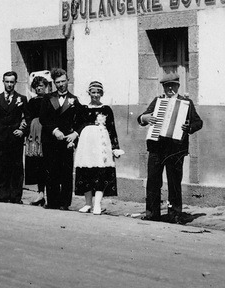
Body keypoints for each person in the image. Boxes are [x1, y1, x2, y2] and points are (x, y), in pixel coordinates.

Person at [137, 73, 203, 223]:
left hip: (176, 149)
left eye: (173, 86)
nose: (170, 89)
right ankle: (152, 214)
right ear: (164, 87)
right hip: (157, 148)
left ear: (178, 86)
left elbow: (198, 123)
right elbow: (141, 118)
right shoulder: (158, 101)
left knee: (174, 183)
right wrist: (144, 118)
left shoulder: (186, 103)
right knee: (153, 181)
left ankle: (175, 215)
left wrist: (189, 127)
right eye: (167, 86)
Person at [73, 81, 122, 215]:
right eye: (93, 92)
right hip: (86, 144)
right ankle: (88, 203)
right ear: (89, 93)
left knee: (100, 172)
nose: (95, 95)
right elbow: (78, 126)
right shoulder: (83, 109)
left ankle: (97, 204)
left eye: (98, 93)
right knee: (86, 171)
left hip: (101, 143)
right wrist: (74, 142)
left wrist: (115, 147)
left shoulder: (106, 109)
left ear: (102, 94)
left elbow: (112, 129)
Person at [39, 68, 83, 210]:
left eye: (63, 81)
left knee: (65, 172)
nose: (61, 84)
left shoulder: (74, 100)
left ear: (68, 81)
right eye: (58, 82)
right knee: (51, 171)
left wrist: (75, 134)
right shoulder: (47, 98)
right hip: (50, 140)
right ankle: (52, 202)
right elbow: (43, 118)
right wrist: (54, 130)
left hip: (66, 141)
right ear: (54, 83)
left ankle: (65, 203)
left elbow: (81, 120)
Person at [0, 71, 27, 204]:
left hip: (15, 138)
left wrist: (22, 130)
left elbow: (26, 117)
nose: (9, 84)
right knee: (1, 166)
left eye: (12, 82)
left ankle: (16, 196)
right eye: (7, 82)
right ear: (3, 82)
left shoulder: (21, 99)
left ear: (15, 82)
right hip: (0, 138)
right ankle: (2, 194)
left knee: (16, 167)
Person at [24, 73, 51, 206]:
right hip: (34, 135)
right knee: (37, 164)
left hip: (46, 133)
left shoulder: (50, 99)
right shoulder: (32, 101)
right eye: (36, 86)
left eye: (41, 86)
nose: (39, 88)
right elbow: (28, 115)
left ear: (46, 86)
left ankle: (49, 195)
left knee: (47, 163)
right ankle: (40, 194)